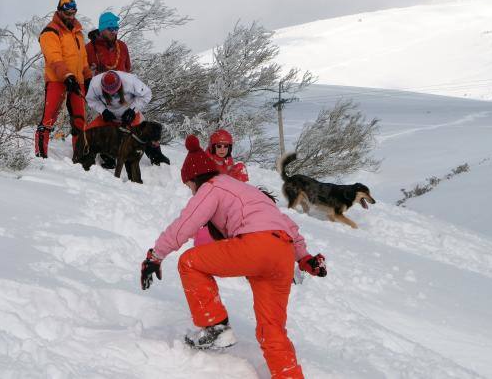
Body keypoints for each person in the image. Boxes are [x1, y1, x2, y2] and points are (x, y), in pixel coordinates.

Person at [140, 135, 327, 379]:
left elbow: (185, 225)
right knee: (272, 329)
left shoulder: (213, 186)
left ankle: (215, 326)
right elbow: (289, 226)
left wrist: (155, 256)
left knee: (190, 262)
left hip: (256, 246)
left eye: (189, 186)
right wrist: (305, 259)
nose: (191, 191)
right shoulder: (250, 193)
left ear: (195, 178)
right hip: (281, 254)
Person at [85, 11, 169, 167]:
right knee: (99, 130)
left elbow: (128, 68)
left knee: (142, 126)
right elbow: (84, 73)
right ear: (102, 29)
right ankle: (107, 155)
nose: (114, 31)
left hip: (125, 97)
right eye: (110, 28)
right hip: (105, 99)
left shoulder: (122, 46)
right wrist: (103, 110)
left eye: (116, 28)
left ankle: (155, 154)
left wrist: (132, 109)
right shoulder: (89, 48)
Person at [35, 0, 92, 158]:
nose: (70, 15)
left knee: (80, 120)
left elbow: (83, 60)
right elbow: (54, 58)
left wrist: (87, 77)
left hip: (77, 81)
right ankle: (40, 155)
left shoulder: (78, 34)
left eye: (73, 12)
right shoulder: (50, 31)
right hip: (57, 80)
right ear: (59, 11)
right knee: (49, 118)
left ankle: (80, 156)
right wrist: (67, 76)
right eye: (67, 12)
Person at [84, 70, 151, 169]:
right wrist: (103, 111)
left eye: (115, 91)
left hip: (129, 114)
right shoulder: (95, 84)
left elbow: (147, 94)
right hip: (109, 115)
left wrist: (133, 110)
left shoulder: (130, 81)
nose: (113, 94)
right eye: (109, 93)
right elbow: (90, 99)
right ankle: (107, 157)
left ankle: (155, 156)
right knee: (89, 133)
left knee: (141, 134)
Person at [193, 129, 249, 246]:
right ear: (213, 147)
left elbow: (229, 176)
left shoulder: (227, 160)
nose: (222, 149)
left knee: (240, 167)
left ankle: (241, 203)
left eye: (225, 146)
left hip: (225, 194)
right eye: (219, 146)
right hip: (210, 196)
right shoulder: (206, 161)